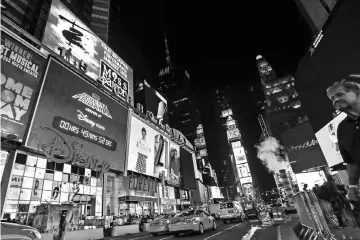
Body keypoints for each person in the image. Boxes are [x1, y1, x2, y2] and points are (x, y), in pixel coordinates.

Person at [326, 77, 360, 203]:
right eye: (332, 98)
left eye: (340, 94)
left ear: (357, 93)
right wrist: (352, 186)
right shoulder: (342, 128)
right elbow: (351, 161)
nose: (335, 100)